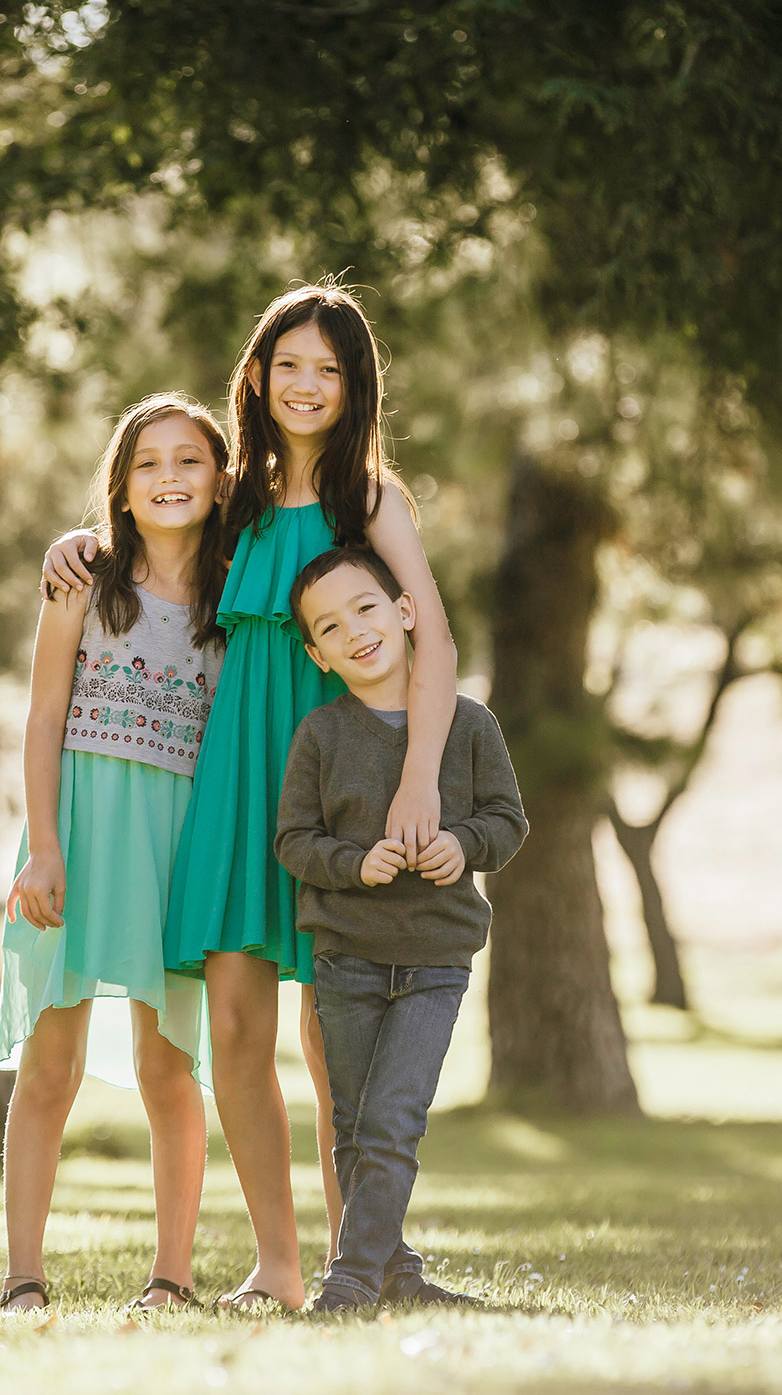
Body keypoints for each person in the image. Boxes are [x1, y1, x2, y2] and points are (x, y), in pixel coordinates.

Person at [41, 284, 460, 1311]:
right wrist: (74, 544)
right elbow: (151, 529)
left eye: (328, 368)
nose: (306, 385)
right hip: (235, 778)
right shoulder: (233, 501)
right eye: (289, 365)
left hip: (345, 779)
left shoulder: (371, 502)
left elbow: (434, 643)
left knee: (333, 1030)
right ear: (258, 379)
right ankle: (276, 1264)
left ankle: (353, 1264)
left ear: (355, 384)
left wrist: (416, 783)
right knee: (233, 1023)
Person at [0, 393, 230, 1314]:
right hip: (80, 829)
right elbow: (45, 713)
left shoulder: (235, 588)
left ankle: (172, 1278)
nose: (170, 478)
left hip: (181, 842)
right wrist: (43, 846)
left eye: (190, 461)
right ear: (121, 489)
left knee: (169, 1065)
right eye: (148, 465)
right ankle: (22, 1279)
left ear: (219, 479)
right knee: (52, 1062)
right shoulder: (82, 579)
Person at [276, 545, 527, 1313]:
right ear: (317, 654)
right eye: (330, 626)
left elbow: (507, 821)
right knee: (353, 1127)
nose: (355, 630)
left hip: (435, 960)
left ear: (406, 612)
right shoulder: (322, 735)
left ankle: (350, 1279)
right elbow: (293, 841)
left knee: (393, 1117)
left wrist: (464, 845)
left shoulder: (470, 724)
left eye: (367, 607)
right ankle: (398, 1275)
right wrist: (355, 865)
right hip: (346, 961)